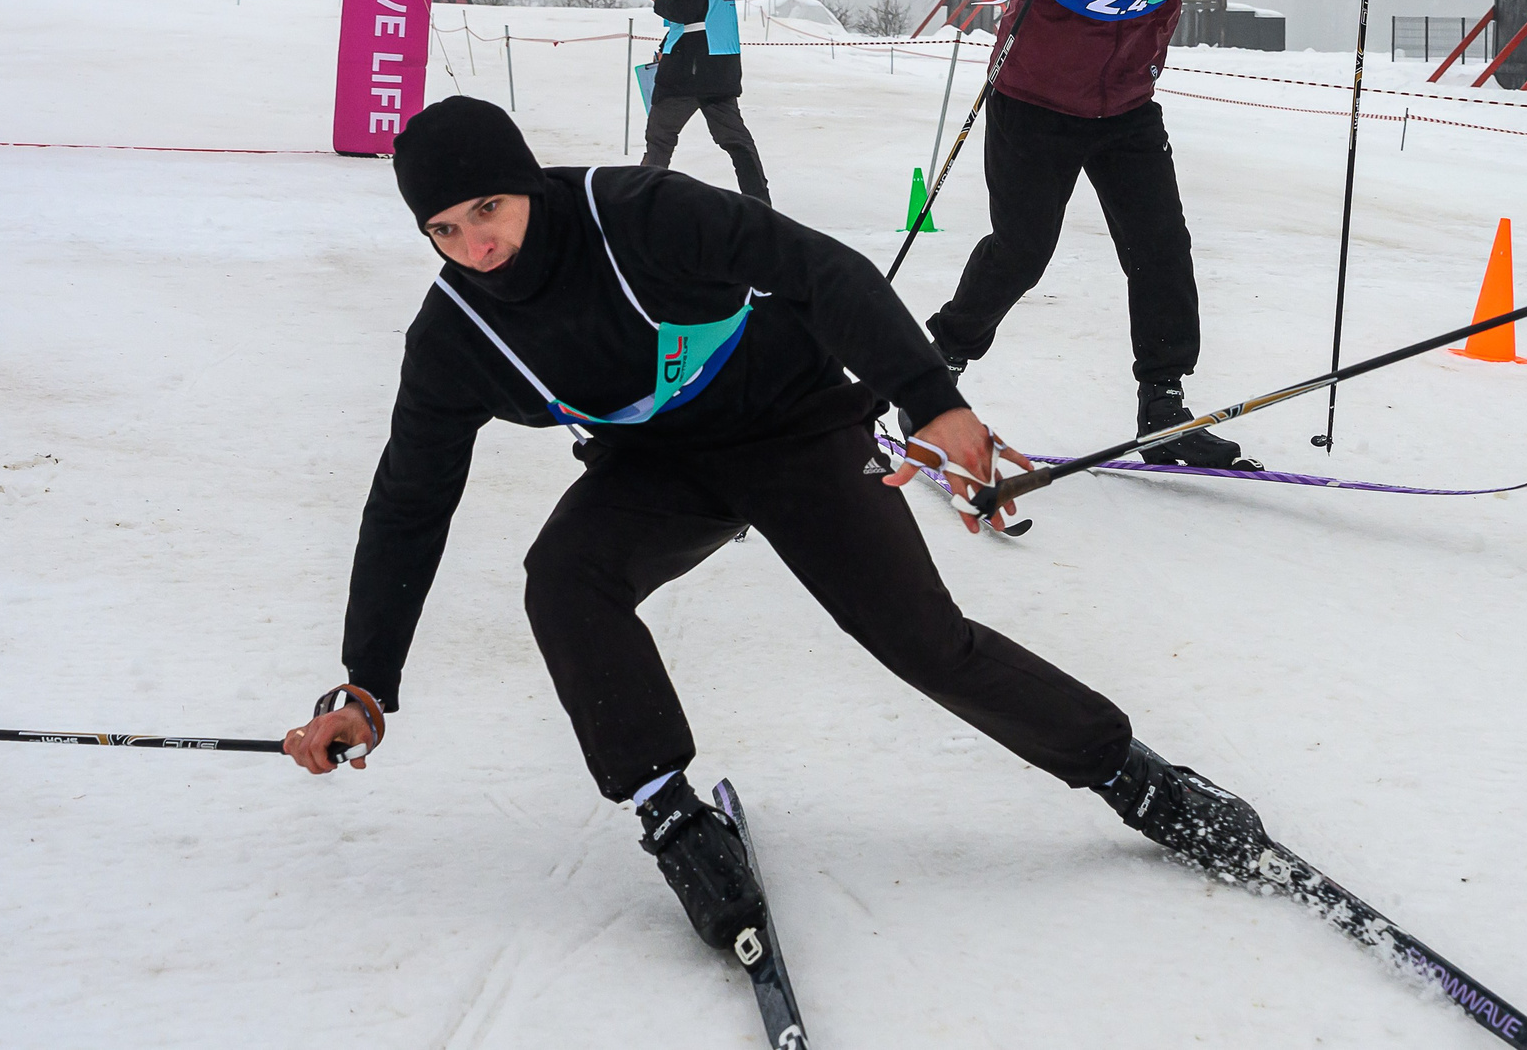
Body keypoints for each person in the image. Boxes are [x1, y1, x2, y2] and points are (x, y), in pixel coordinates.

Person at [282, 97, 1276, 964]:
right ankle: (670, 816)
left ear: (527, 185)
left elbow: (821, 273)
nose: (477, 246)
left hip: (795, 427)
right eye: (446, 230)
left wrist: (928, 401)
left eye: (489, 210)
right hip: (659, 468)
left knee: (921, 642)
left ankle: (1128, 773)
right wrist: (366, 679)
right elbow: (409, 499)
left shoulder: (638, 216)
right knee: (564, 577)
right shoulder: (458, 333)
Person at [924, 0, 1393, 467]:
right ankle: (935, 369)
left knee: (1162, 249)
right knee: (1023, 250)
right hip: (1034, 103)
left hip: (1126, 109)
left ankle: (1163, 408)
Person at [641, 0, 770, 206]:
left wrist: (659, 1)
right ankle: (761, 206)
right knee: (736, 141)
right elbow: (701, 14)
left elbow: (684, 10)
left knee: (659, 138)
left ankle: (641, 204)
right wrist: (665, 46)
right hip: (716, 62)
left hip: (690, 66)